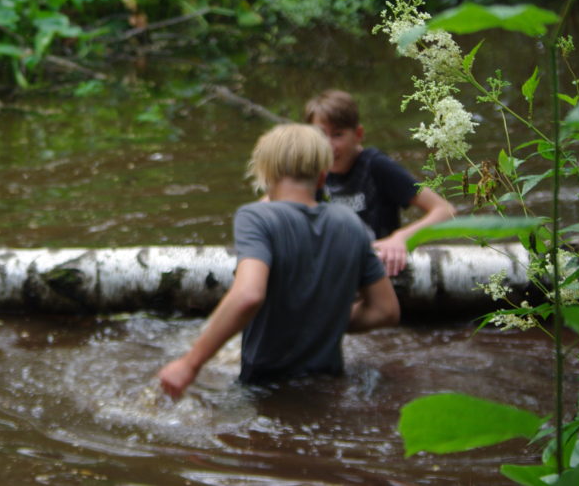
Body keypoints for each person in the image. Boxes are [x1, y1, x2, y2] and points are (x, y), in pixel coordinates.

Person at [158, 123, 400, 399]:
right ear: (322, 177)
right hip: (329, 388)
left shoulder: (257, 218)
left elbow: (248, 295)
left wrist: (190, 364)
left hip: (266, 390)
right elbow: (386, 310)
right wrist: (323, 321)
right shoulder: (351, 223)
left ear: (265, 174)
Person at [304, 89, 454, 277]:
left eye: (338, 134)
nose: (328, 145)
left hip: (380, 265)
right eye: (320, 135)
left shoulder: (376, 166)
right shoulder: (314, 169)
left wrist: (401, 237)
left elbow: (444, 210)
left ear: (358, 134)